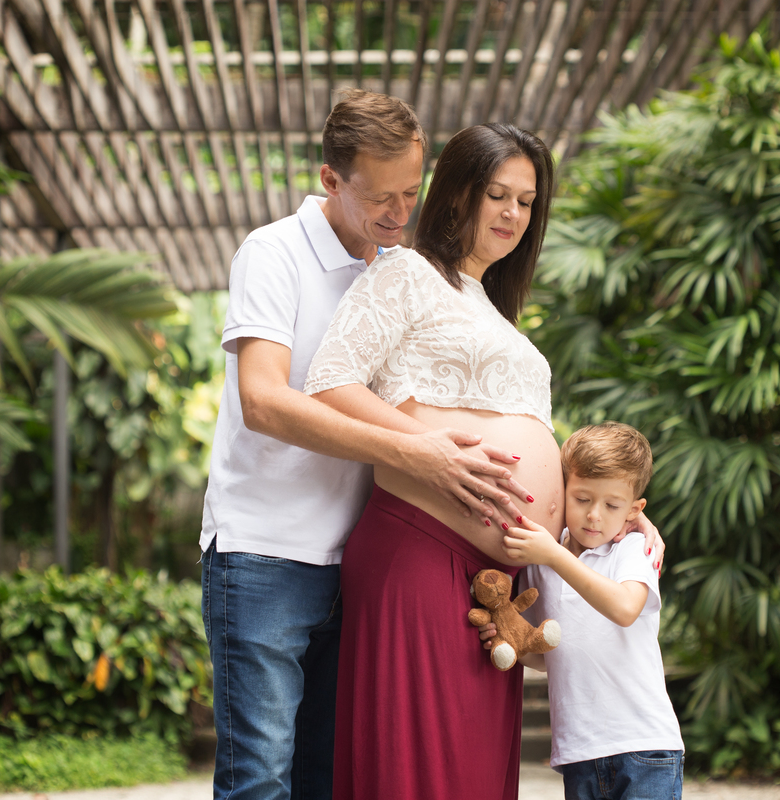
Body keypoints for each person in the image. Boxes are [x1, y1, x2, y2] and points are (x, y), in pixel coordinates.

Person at [305, 123, 663, 799]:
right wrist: (428, 450)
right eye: (497, 194)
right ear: (457, 193)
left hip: (496, 586)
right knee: (421, 773)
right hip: (420, 547)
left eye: (526, 202)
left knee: (472, 777)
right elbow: (330, 383)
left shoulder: (495, 310)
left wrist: (619, 519)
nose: (512, 214)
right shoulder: (407, 272)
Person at [199, 92, 532, 800]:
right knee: (261, 777)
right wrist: (420, 450)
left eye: (412, 192)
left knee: (328, 780)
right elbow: (263, 400)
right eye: (381, 197)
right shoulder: (274, 253)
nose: (399, 212)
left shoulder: (403, 266)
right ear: (331, 179)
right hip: (266, 553)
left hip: (355, 561)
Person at [501, 422, 685, 800]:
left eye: (612, 505)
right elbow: (546, 656)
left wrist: (554, 556)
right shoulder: (542, 561)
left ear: (634, 510)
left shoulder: (632, 549)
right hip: (579, 751)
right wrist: (510, 639)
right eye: (582, 499)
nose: (594, 516)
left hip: (644, 746)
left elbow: (625, 608)